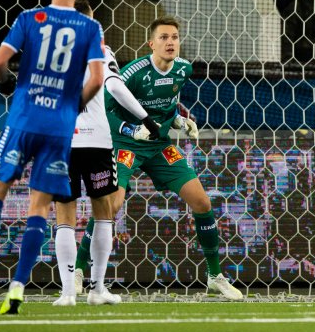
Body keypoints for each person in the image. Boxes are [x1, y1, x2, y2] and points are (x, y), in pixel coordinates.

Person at [0, 0, 105, 314]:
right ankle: (19, 286)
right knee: (39, 207)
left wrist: (5, 80)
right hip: (58, 130)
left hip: (22, 121)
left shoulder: (30, 18)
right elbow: (97, 80)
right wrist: (73, 106)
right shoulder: (89, 28)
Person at [100, 16, 242, 300]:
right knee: (110, 205)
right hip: (126, 143)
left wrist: (178, 120)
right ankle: (81, 272)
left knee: (201, 202)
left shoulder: (183, 69)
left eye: (175, 37)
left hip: (159, 145)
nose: (170, 42)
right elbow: (106, 110)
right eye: (164, 37)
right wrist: (130, 128)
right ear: (151, 43)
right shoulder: (132, 73)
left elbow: (165, 105)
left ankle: (215, 277)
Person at [52, 0, 161, 306]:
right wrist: (146, 119)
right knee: (103, 214)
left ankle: (67, 293)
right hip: (98, 142)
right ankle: (97, 289)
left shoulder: (51, 54)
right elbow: (114, 87)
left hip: (62, 141)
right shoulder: (100, 48)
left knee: (64, 216)